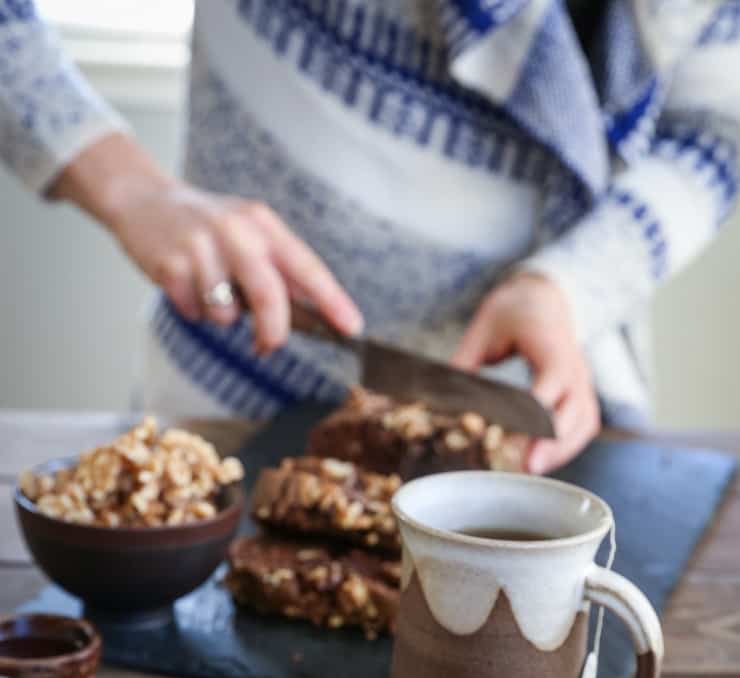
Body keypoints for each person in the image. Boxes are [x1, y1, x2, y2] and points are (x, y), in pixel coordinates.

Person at [2, 2, 738, 473]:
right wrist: (130, 186)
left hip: (549, 434)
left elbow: (717, 131)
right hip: (230, 412)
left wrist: (567, 288)